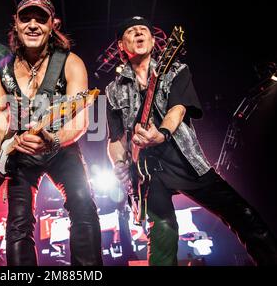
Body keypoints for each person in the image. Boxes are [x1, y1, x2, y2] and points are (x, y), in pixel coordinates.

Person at [106, 16, 277, 265]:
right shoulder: (113, 90)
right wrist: (119, 166)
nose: (139, 34)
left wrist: (161, 133)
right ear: (122, 45)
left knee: (244, 216)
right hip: (147, 173)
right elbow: (116, 138)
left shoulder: (175, 70)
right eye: (131, 32)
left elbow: (178, 108)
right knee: (163, 234)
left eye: (144, 30)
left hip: (185, 160)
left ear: (154, 41)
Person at [0, 0, 103, 266]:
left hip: (61, 148)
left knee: (83, 205)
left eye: (41, 18)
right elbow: (1, 112)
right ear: (16, 23)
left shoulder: (71, 62)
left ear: (52, 24)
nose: (33, 24)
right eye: (26, 18)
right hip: (19, 153)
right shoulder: (3, 68)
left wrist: (54, 140)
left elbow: (80, 118)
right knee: (18, 222)